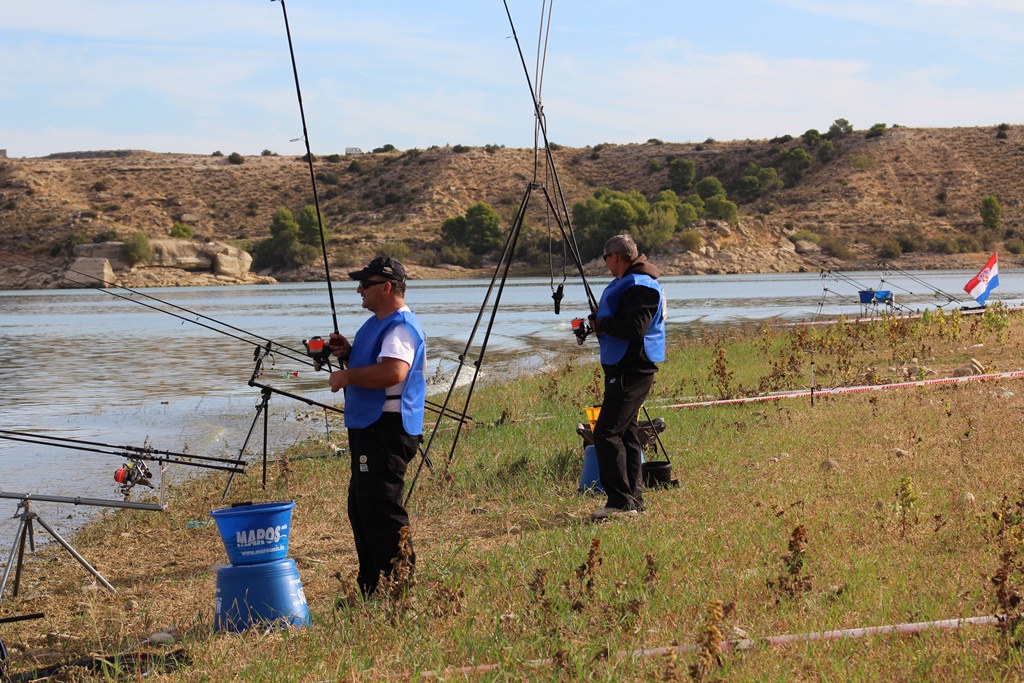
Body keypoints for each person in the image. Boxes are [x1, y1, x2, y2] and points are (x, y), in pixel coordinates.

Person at [327, 256, 427, 596]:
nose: (359, 290)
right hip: (369, 426)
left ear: (386, 287)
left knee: (382, 509)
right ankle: (372, 588)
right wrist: (349, 354)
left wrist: (346, 376)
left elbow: (393, 373)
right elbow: (378, 362)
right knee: (362, 507)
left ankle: (399, 590)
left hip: (385, 428)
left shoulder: (400, 327)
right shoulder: (376, 324)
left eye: (364, 284)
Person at [588, 235, 666, 521]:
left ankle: (620, 504)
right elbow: (625, 320)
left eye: (605, 257)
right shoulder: (632, 282)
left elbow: (636, 328)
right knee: (626, 433)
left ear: (615, 256)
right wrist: (599, 322)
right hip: (625, 367)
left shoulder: (642, 285)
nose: (605, 263)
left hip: (632, 368)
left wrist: (604, 324)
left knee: (606, 433)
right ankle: (633, 501)